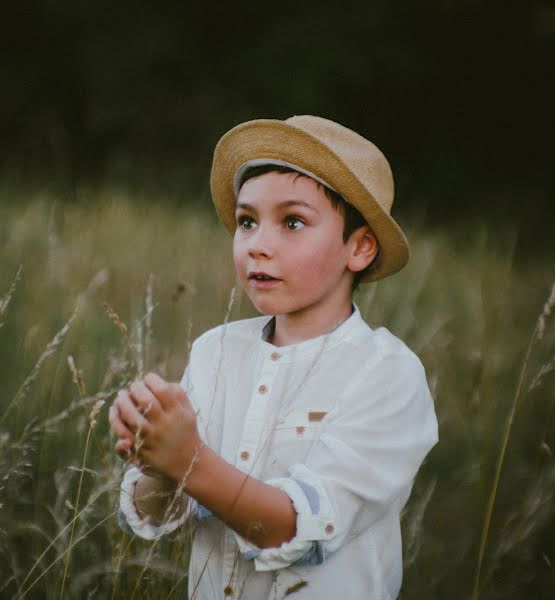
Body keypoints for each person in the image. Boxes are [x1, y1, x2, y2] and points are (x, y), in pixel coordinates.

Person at [108, 115, 438, 599]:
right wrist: (158, 462)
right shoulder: (215, 352)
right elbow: (158, 513)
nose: (259, 245)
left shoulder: (387, 373)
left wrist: (190, 459)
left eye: (293, 222)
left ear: (361, 247)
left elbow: (291, 530)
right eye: (247, 222)